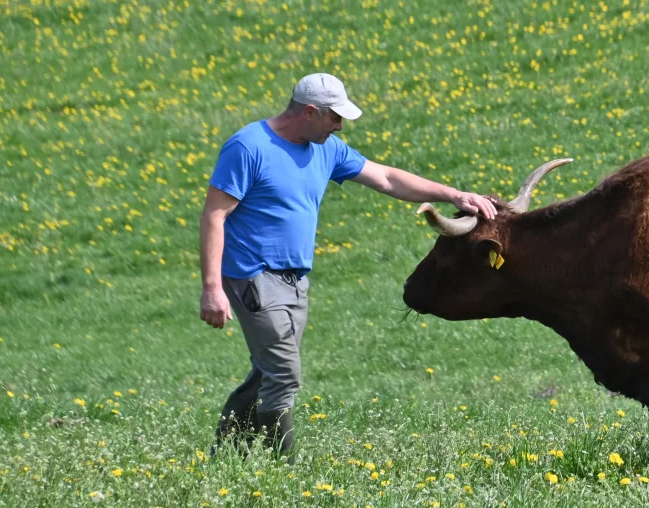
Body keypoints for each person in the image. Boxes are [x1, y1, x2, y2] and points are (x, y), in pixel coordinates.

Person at [199, 73, 496, 459]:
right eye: (334, 117)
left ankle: (225, 455)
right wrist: (212, 288)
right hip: (252, 276)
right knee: (285, 374)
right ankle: (283, 471)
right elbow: (214, 217)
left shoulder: (327, 149)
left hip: (295, 281)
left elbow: (388, 179)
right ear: (309, 112)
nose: (340, 126)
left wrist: (454, 194)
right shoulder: (248, 147)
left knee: (269, 372)